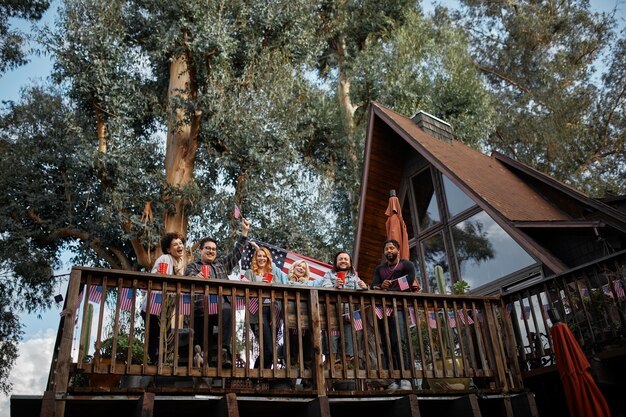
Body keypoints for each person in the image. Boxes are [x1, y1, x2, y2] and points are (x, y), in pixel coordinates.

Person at [185, 217, 250, 368]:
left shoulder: (221, 265)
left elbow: (236, 254)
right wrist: (197, 277)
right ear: (200, 250)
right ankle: (203, 366)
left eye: (213, 249)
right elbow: (188, 278)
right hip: (200, 310)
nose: (211, 251)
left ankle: (224, 351)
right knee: (203, 346)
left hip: (220, 310)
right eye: (207, 248)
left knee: (227, 308)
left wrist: (244, 232)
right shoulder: (193, 266)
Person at [372, 239, 417, 390]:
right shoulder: (380, 269)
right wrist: (380, 285)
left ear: (398, 250)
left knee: (401, 341)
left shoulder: (407, 265)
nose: (389, 251)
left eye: (392, 248)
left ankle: (406, 378)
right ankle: (393, 380)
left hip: (398, 308)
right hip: (383, 310)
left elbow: (408, 284)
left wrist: (388, 290)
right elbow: (374, 285)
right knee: (387, 343)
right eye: (386, 249)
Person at [141, 232, 187, 364]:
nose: (180, 246)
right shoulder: (165, 259)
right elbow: (155, 277)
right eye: (175, 244)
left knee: (164, 335)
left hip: (166, 308)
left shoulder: (181, 263)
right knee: (154, 336)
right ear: (168, 249)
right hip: (153, 306)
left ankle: (160, 361)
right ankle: (155, 362)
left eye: (180, 243)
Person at [243, 246, 288, 368]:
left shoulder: (273, 274)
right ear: (255, 258)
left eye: (264, 256)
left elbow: (280, 291)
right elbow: (243, 291)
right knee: (268, 349)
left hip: (273, 312)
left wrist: (271, 283)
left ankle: (262, 378)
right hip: (258, 311)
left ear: (268, 259)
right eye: (259, 256)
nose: (262, 258)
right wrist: (259, 285)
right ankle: (257, 376)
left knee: (271, 349)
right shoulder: (250, 273)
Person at [321, 251, 368, 367]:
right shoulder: (329, 275)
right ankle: (330, 373)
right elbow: (324, 288)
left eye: (346, 259)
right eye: (340, 259)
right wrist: (334, 286)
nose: (343, 261)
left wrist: (364, 287)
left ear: (350, 263)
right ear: (336, 262)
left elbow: (360, 290)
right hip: (331, 316)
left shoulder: (354, 276)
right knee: (331, 347)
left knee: (348, 345)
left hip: (348, 316)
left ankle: (345, 370)